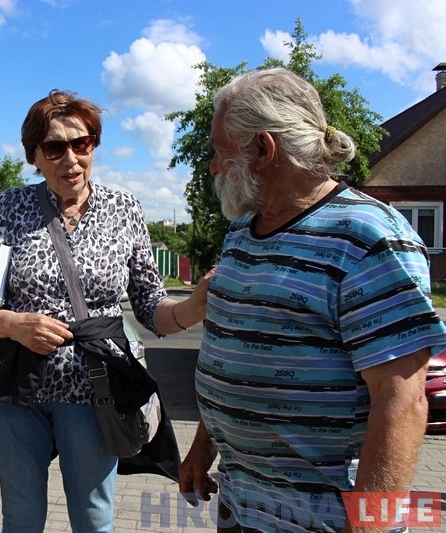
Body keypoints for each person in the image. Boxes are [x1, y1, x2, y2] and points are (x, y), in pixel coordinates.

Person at [0, 89, 212, 532]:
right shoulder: (10, 208)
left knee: (94, 518)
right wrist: (14, 324)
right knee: (21, 519)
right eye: (55, 147)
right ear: (34, 155)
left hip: (94, 390)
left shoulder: (123, 208)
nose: (71, 159)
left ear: (94, 145)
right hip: (17, 386)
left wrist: (195, 306)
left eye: (82, 143)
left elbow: (151, 305)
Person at [180, 67, 446, 532]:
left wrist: (367, 525)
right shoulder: (242, 231)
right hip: (242, 506)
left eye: (220, 151)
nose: (213, 166)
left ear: (263, 150)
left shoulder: (367, 238)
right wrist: (205, 444)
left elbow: (402, 399)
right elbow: (231, 352)